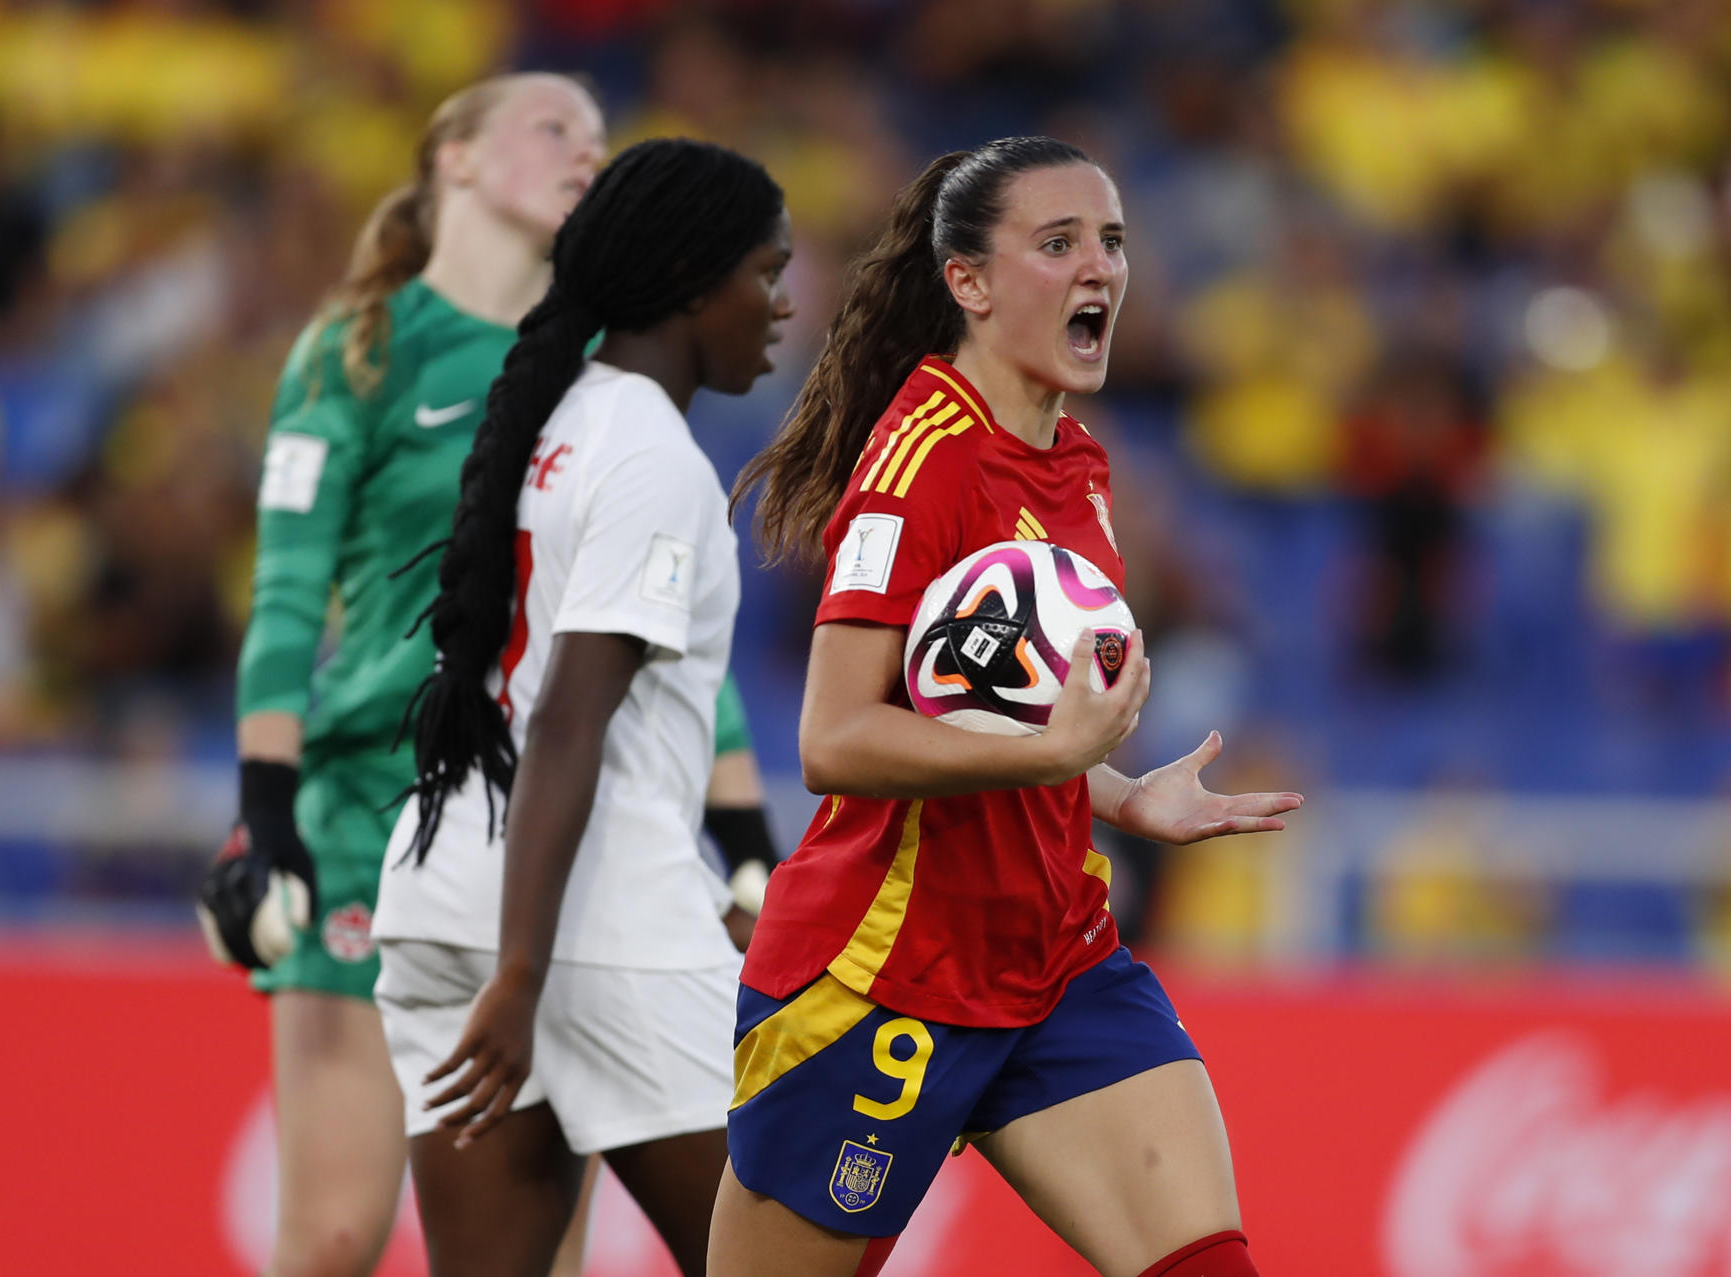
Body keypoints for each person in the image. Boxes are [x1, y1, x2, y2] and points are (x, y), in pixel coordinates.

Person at [713, 138, 1303, 1277]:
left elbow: (1003, 717)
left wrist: (1119, 789)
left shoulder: (1077, 460)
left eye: (1113, 241)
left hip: (1058, 961)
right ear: (969, 283)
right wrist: (1056, 754)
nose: (1102, 268)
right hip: (887, 982)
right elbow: (834, 739)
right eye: (1059, 243)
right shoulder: (918, 464)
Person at [197, 73, 611, 1277]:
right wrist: (263, 814)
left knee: (527, 1258)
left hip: (547, 831)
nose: (588, 151)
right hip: (369, 811)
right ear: (460, 162)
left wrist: (730, 812)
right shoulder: (358, 347)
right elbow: (285, 596)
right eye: (553, 129)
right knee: (332, 1236)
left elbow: (658, 605)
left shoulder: (608, 371)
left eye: (599, 136)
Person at [370, 137, 792, 1277]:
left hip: (444, 888)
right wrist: (525, 971)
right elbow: (569, 716)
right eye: (766, 270)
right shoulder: (653, 458)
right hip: (577, 920)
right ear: (695, 283)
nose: (783, 302)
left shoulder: (546, 421)